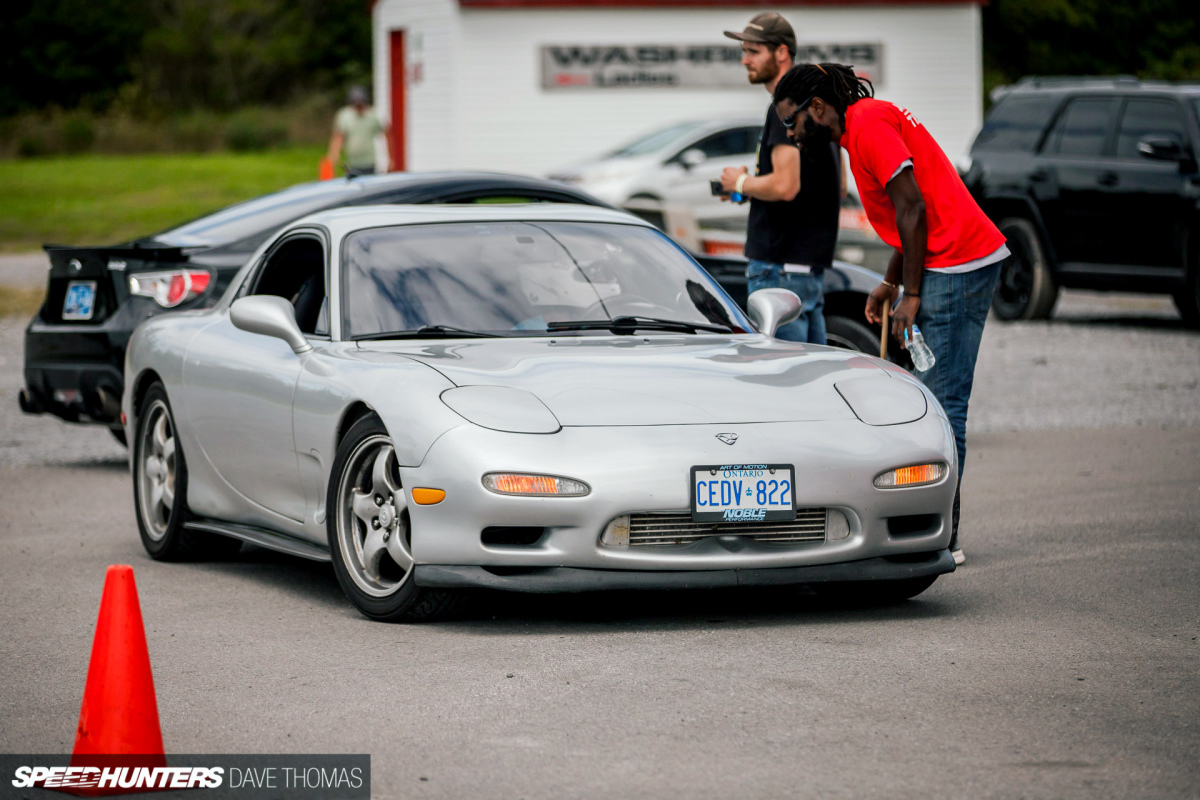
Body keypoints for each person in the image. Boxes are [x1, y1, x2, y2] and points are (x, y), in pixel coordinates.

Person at [773, 62, 1009, 565]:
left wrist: (914, 293)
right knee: (932, 398)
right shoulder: (859, 129)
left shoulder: (869, 126)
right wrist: (889, 281)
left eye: (792, 121)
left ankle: (943, 538)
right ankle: (934, 529)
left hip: (956, 264)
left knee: (943, 405)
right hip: (947, 260)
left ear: (818, 108)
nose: (790, 134)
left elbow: (914, 208)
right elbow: (910, 212)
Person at [720, 13, 843, 345]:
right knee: (812, 378)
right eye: (744, 51)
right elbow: (836, 186)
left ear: (782, 53)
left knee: (784, 380)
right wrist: (753, 188)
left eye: (753, 51)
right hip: (807, 270)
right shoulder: (819, 107)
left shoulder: (783, 108)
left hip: (779, 270)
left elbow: (786, 186)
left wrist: (741, 184)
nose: (745, 59)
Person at [327, 86, 394, 177]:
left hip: (369, 163)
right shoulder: (345, 116)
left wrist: (390, 159)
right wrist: (333, 157)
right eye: (356, 105)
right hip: (352, 163)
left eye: (361, 104)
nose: (359, 107)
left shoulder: (373, 116)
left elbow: (387, 134)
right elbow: (338, 138)